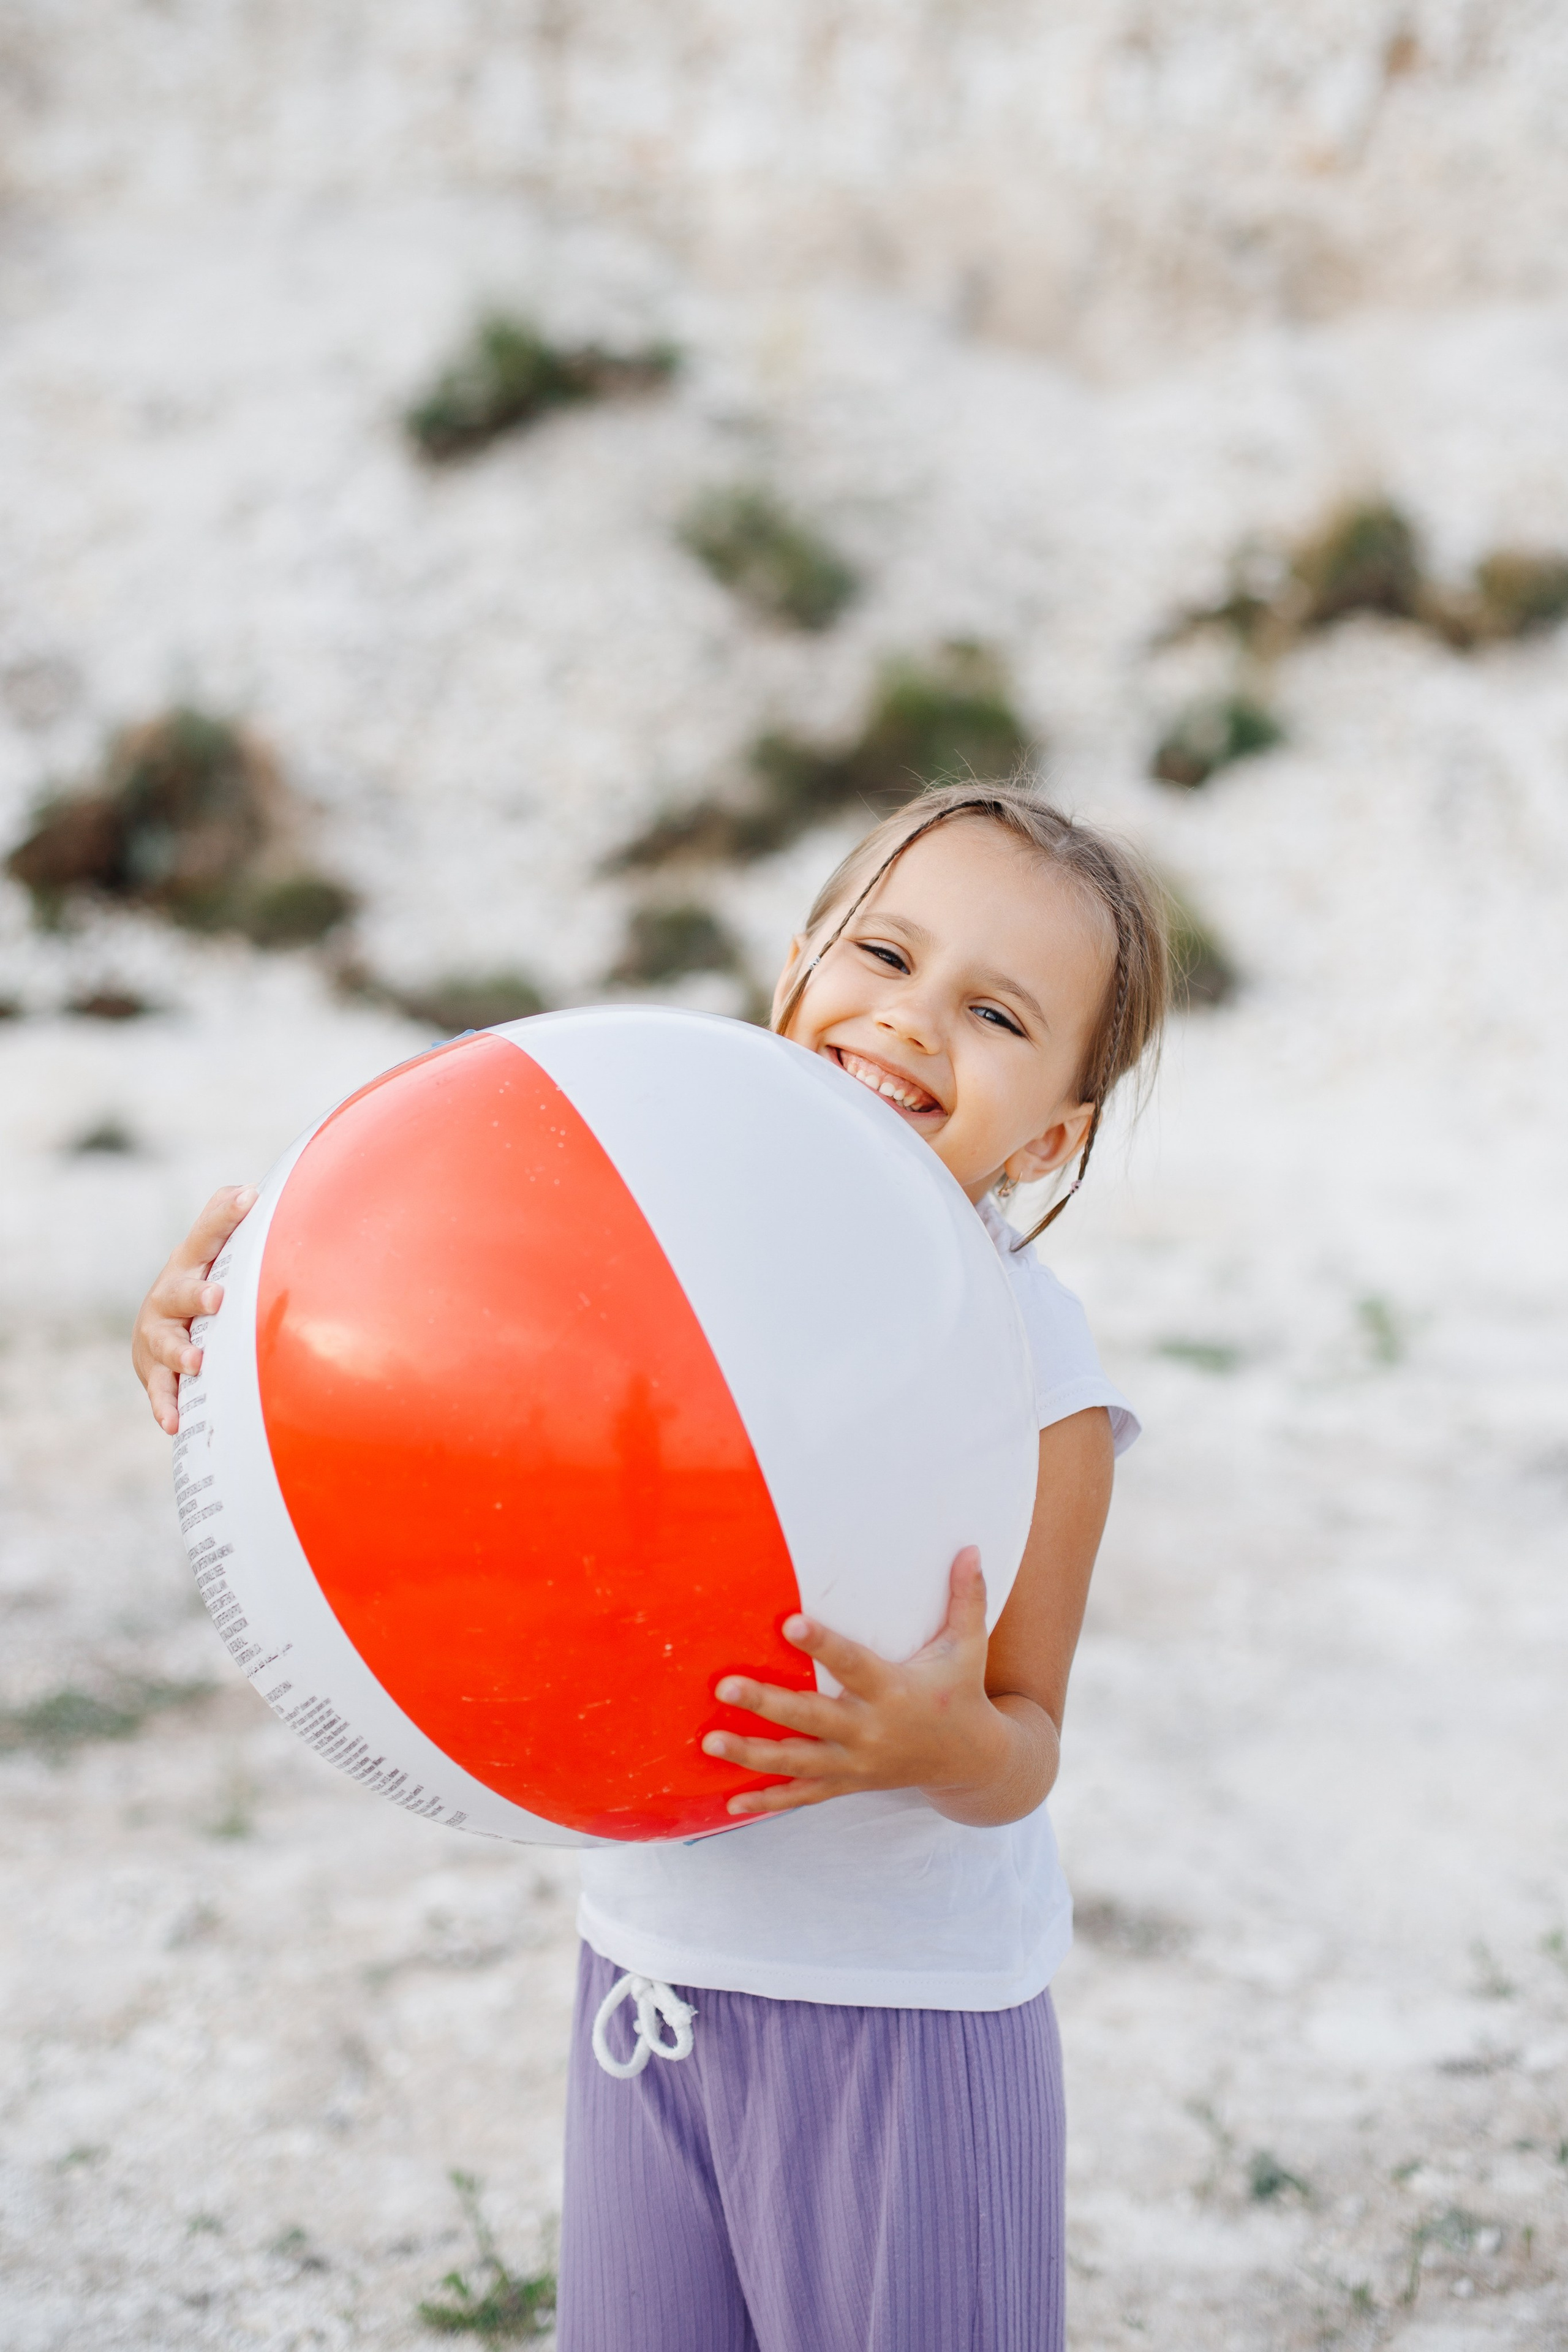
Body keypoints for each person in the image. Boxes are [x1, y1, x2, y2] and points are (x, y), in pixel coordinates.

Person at [131, 780, 1171, 2352]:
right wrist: (218, 1351)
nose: (909, 1020)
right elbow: (431, 1401)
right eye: (884, 955)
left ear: (1053, 1133)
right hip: (649, 1980)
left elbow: (1023, 1744)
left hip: (905, 2013)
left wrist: (934, 1743)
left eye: (995, 1012)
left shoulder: (1031, 1367)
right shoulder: (645, 1229)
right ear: (795, 969)